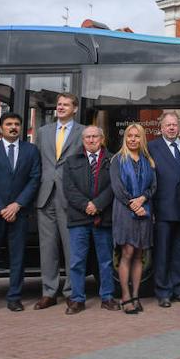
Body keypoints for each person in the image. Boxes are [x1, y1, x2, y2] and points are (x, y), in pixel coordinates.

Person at [0, 112, 41, 314]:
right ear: (1, 127)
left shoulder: (31, 150)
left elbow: (34, 179)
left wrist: (17, 204)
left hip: (19, 213)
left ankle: (14, 297)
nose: (13, 127)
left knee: (18, 257)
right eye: (8, 124)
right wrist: (1, 208)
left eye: (16, 124)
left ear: (21, 127)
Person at [34, 93, 84, 309]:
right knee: (47, 248)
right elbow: (37, 163)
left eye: (66, 105)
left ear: (75, 109)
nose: (61, 107)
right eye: (59, 104)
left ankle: (72, 292)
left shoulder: (83, 132)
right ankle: (49, 291)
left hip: (70, 197)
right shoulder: (43, 132)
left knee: (71, 248)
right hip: (44, 197)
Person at [62, 125, 118, 313]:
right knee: (77, 261)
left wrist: (98, 205)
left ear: (102, 139)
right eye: (87, 137)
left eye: (95, 136)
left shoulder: (113, 160)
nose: (91, 140)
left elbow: (114, 186)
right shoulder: (71, 161)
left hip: (104, 218)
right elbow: (69, 189)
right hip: (79, 218)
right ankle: (77, 299)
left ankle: (107, 297)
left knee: (106, 260)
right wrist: (87, 205)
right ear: (83, 140)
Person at [147, 111, 180, 307]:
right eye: (168, 125)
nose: (172, 128)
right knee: (162, 253)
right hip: (162, 209)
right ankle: (162, 292)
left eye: (175, 125)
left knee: (179, 253)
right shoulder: (151, 147)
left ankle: (177, 289)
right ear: (161, 128)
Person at [111, 123, 156, 313]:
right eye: (130, 136)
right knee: (127, 253)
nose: (133, 139)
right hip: (124, 212)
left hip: (144, 211)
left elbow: (153, 186)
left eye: (137, 136)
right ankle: (125, 296)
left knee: (139, 255)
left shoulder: (148, 161)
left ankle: (136, 295)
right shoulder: (117, 160)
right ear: (125, 138)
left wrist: (143, 199)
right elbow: (117, 187)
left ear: (142, 139)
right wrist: (133, 204)